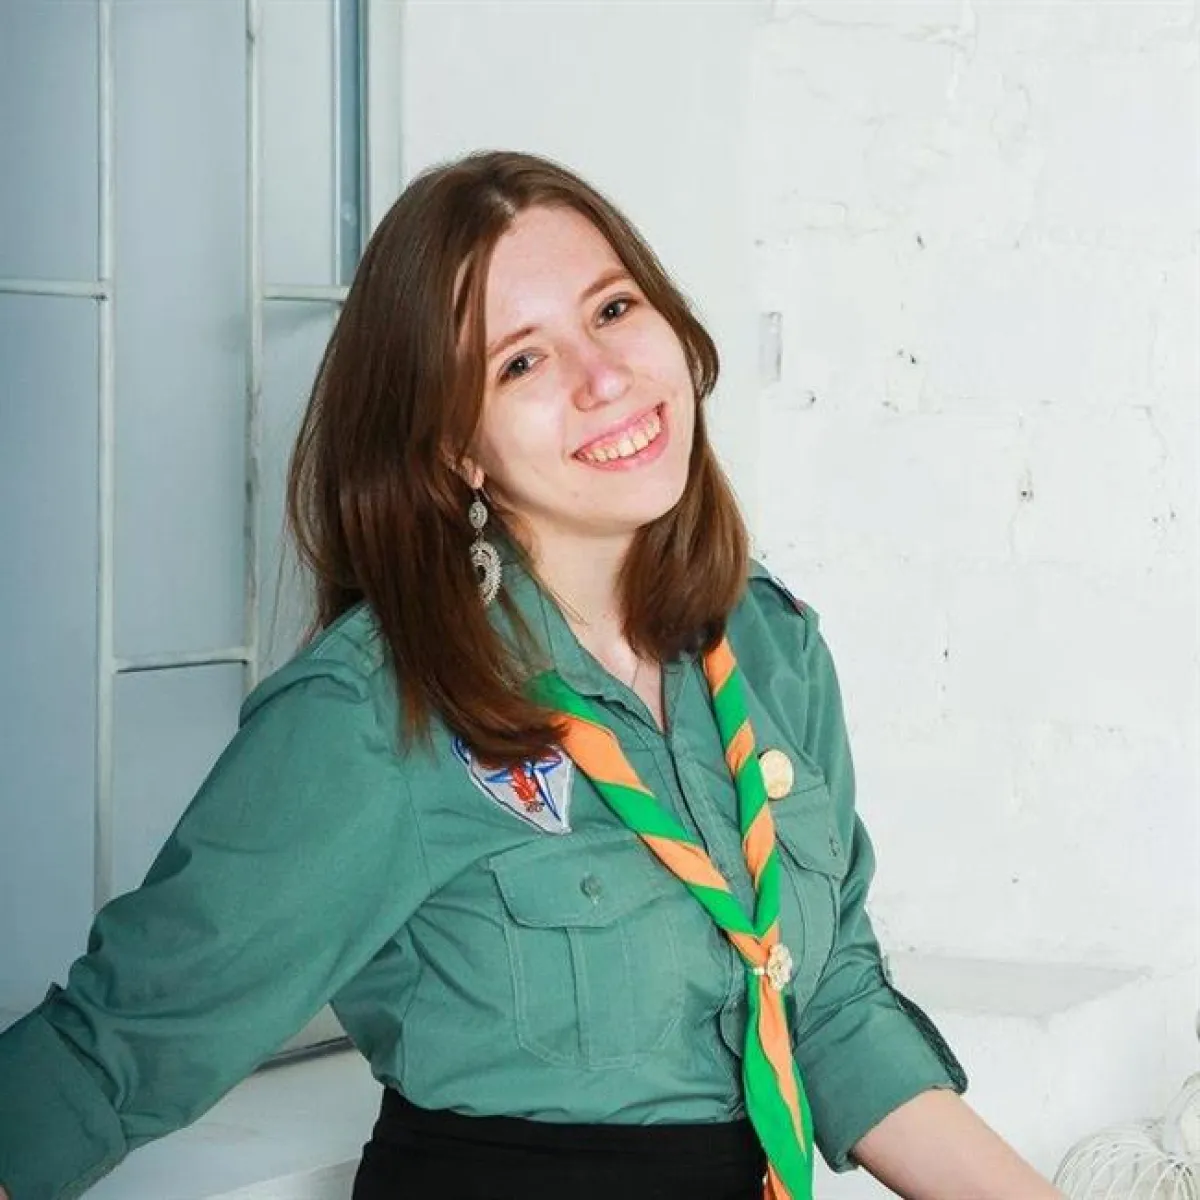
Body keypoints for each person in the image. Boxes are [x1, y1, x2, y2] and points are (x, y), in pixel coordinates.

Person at [0, 149, 1061, 1200]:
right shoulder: (374, 710)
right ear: (455, 448)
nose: (605, 379)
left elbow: (826, 1003)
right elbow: (115, 1046)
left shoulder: (768, 646)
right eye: (521, 364)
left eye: (612, 310)